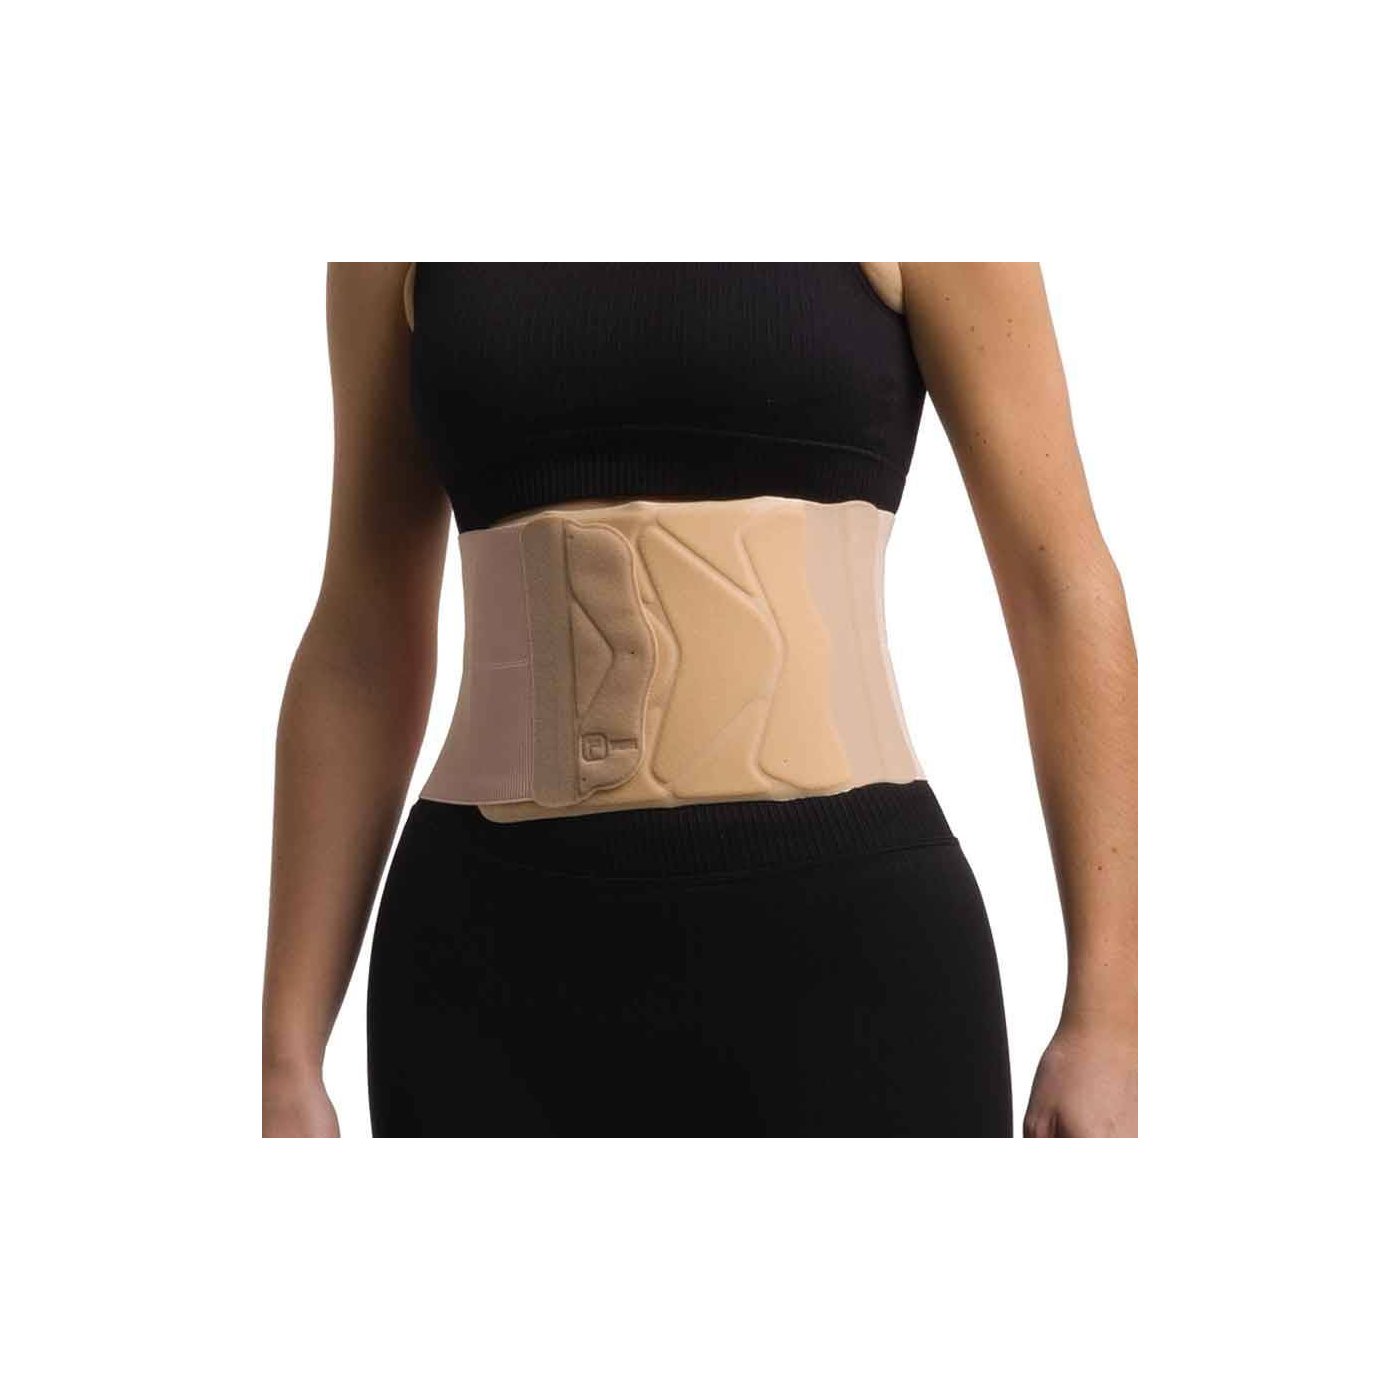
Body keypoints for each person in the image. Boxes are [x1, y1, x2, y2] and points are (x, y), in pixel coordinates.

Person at [262, 263, 1137, 1138]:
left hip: (853, 965)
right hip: (485, 965)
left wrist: (1112, 1020)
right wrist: (285, 1054)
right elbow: (363, 638)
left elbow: (1059, 588)